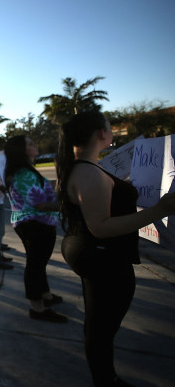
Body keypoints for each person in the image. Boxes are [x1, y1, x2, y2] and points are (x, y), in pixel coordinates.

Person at [58, 111, 175, 387]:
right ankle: (106, 380)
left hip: (90, 251)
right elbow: (101, 226)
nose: (111, 131)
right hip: (101, 255)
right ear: (101, 134)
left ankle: (104, 376)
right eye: (110, 127)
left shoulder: (80, 167)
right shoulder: (88, 172)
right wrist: (160, 209)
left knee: (97, 322)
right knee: (102, 329)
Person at [4, 135, 66, 323]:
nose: (35, 145)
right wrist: (70, 203)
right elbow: (41, 205)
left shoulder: (26, 171)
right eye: (30, 144)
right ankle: (36, 308)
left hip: (37, 224)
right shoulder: (24, 174)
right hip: (34, 225)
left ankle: (45, 295)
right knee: (35, 266)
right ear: (21, 151)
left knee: (39, 263)